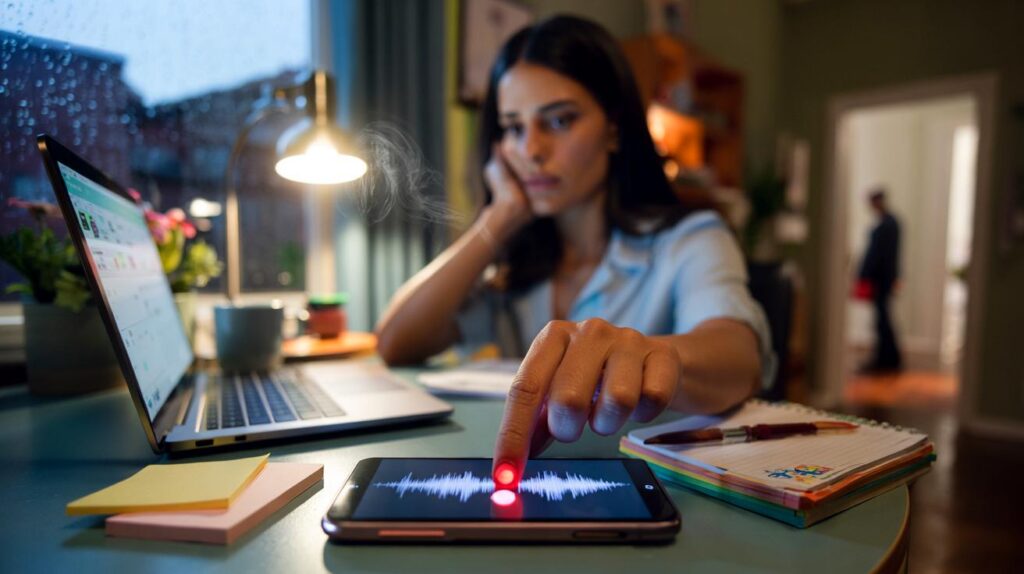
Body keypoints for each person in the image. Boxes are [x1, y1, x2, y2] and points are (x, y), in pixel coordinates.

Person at [374, 15, 773, 487]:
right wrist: (499, 218)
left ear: (614, 128)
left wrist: (648, 355)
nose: (532, 150)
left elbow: (738, 357)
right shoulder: (518, 266)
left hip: (652, 491)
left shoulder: (689, 237)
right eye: (513, 127)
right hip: (537, 484)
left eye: (559, 120)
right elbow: (396, 342)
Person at [857, 188, 903, 373]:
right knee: (881, 320)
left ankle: (887, 358)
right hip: (882, 279)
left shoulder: (888, 225)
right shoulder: (889, 223)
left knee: (883, 320)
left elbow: (884, 256)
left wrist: (866, 276)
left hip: (881, 280)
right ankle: (886, 357)